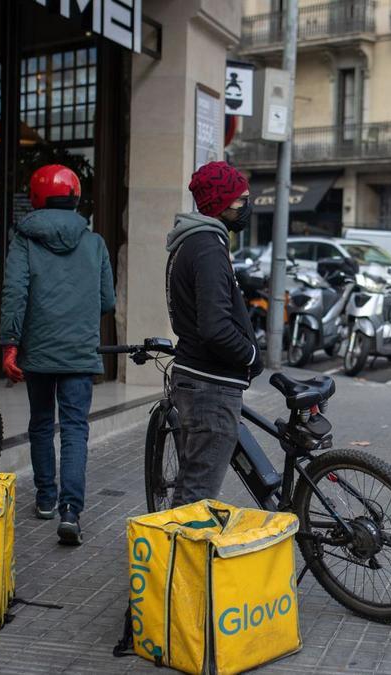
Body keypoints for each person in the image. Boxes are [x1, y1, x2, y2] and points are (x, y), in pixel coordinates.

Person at [0, 164, 115, 545]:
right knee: (75, 430)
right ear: (76, 196)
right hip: (79, 351)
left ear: (35, 197)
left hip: (38, 350)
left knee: (41, 424)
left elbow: (15, 293)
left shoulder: (24, 240)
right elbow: (107, 301)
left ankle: (46, 499)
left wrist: (10, 344)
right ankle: (71, 511)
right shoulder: (95, 243)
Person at [165, 161, 263, 506]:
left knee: (189, 485)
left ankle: (174, 556)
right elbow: (215, 328)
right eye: (241, 201)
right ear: (221, 203)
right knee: (199, 496)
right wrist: (251, 355)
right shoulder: (207, 248)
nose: (246, 207)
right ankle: (183, 560)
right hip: (211, 387)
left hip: (197, 379)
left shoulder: (193, 243)